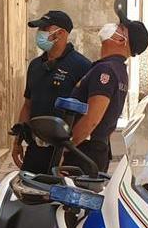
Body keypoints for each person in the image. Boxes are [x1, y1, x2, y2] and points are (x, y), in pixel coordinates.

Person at [69, 15, 148, 174]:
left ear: (122, 40)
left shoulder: (105, 70)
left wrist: (67, 147)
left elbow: (92, 119)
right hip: (96, 150)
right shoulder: (118, 70)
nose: (114, 26)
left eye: (120, 28)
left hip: (83, 153)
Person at [14, 10, 93, 173]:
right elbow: (28, 105)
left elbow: (90, 113)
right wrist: (17, 142)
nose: (40, 34)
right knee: (31, 194)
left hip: (66, 153)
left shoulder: (82, 66)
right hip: (36, 149)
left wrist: (69, 149)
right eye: (39, 30)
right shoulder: (35, 66)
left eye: (45, 29)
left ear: (61, 33)